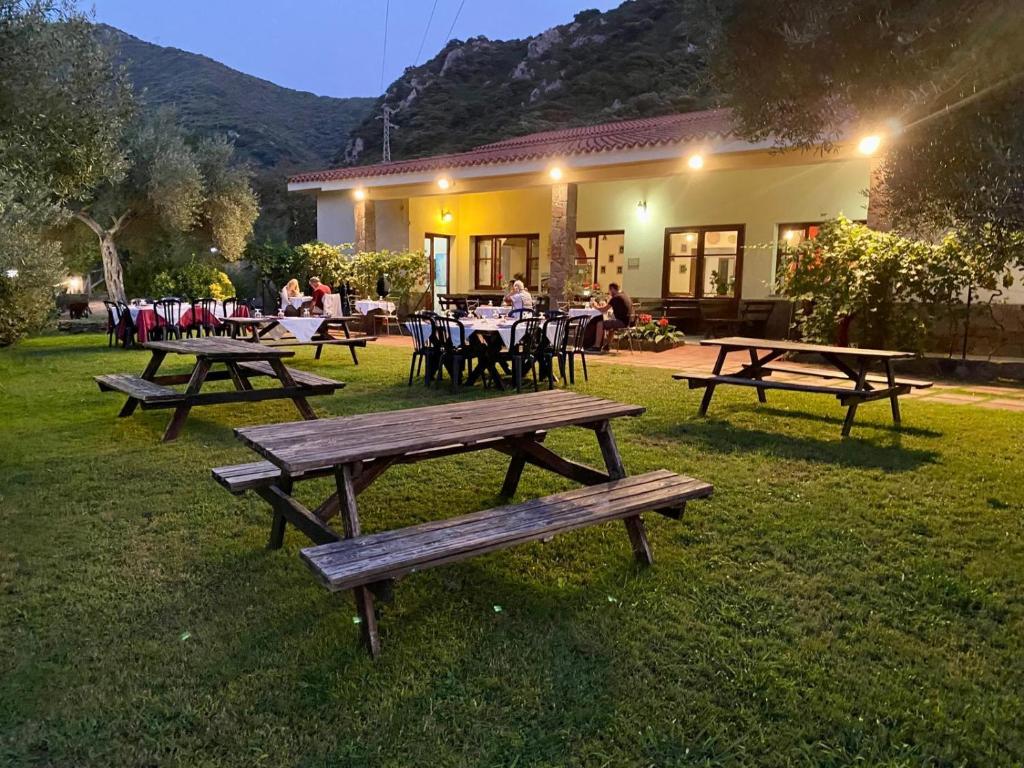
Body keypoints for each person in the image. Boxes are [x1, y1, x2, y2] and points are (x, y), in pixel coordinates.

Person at [591, 282, 632, 350]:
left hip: (622, 322)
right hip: (629, 322)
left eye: (609, 290)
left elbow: (603, 310)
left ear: (612, 289)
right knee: (611, 326)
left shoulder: (615, 298)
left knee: (600, 323)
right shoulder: (625, 296)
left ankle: (597, 346)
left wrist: (595, 306)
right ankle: (607, 346)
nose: (609, 292)